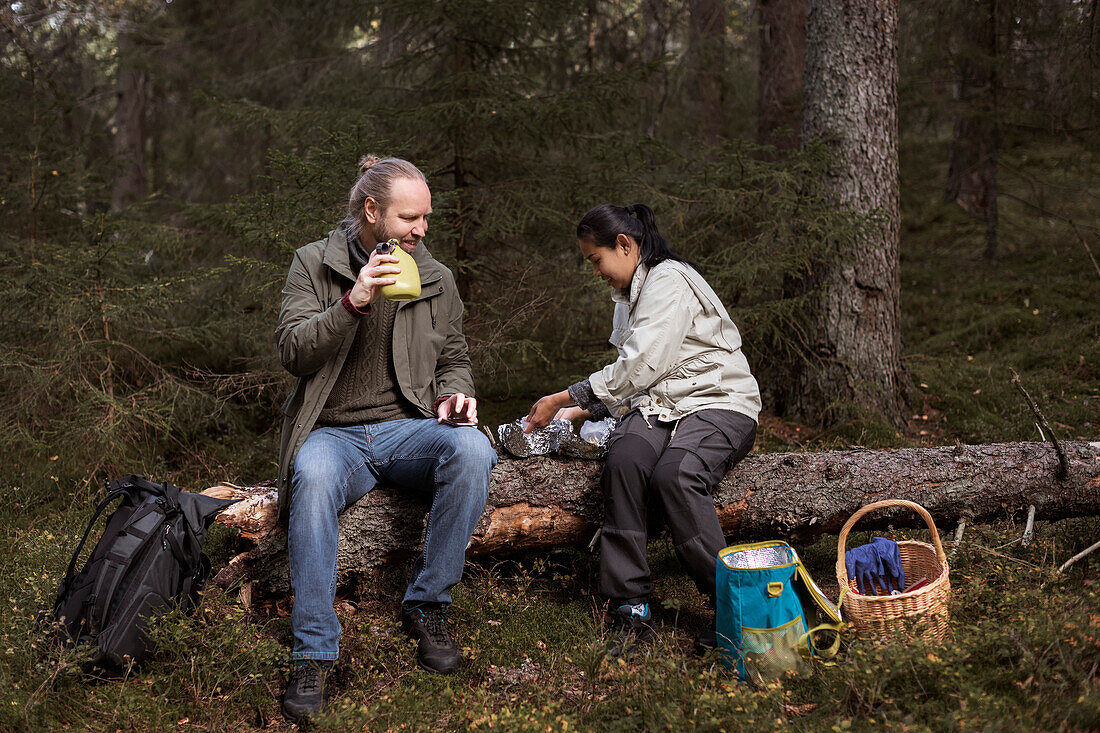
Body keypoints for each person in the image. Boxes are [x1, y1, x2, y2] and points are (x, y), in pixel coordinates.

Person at [275, 155, 496, 722]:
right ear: (372, 212)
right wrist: (353, 304)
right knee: (314, 477)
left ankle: (427, 604)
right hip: (334, 433)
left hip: (407, 429)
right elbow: (294, 353)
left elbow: (454, 356)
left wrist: (454, 395)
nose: (421, 230)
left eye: (426, 217)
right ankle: (315, 652)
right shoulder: (312, 265)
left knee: (473, 449)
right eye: (409, 218)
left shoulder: (435, 276)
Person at [526, 203, 760, 658]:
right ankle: (630, 605)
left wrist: (563, 398)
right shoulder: (628, 297)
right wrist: (584, 413)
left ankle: (734, 611)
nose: (595, 271)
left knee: (675, 475)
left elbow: (641, 365)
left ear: (625, 245)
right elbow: (635, 379)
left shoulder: (668, 280)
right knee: (626, 458)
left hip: (718, 401)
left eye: (596, 260)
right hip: (661, 406)